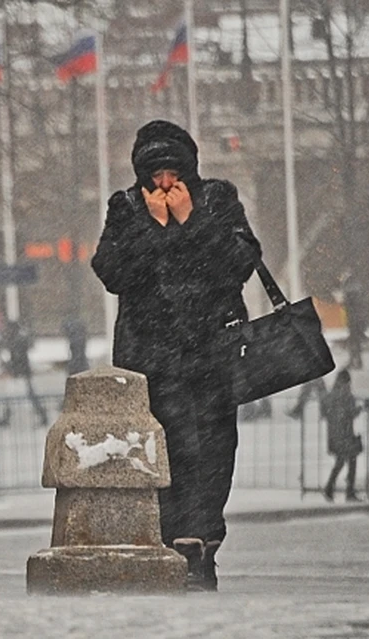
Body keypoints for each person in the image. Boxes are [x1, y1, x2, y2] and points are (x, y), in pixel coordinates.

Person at [91, 119, 260, 591]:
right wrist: (157, 229)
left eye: (173, 173)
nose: (165, 184)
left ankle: (204, 544)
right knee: (164, 453)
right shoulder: (125, 209)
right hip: (152, 359)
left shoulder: (218, 200)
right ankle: (176, 544)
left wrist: (192, 221)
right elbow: (111, 271)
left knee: (213, 451)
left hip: (212, 354)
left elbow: (239, 262)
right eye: (155, 175)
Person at [320, 370, 363, 503]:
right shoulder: (347, 395)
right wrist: (359, 409)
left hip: (334, 435)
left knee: (340, 461)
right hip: (346, 434)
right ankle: (348, 491)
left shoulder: (330, 396)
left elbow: (325, 412)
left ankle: (330, 488)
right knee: (351, 461)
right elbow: (349, 413)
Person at [5, 320, 48, 428]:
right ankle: (6, 416)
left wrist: (12, 369)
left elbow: (18, 359)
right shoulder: (19, 339)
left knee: (23, 395)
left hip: (21, 374)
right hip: (23, 373)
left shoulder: (17, 341)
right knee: (23, 395)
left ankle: (43, 415)